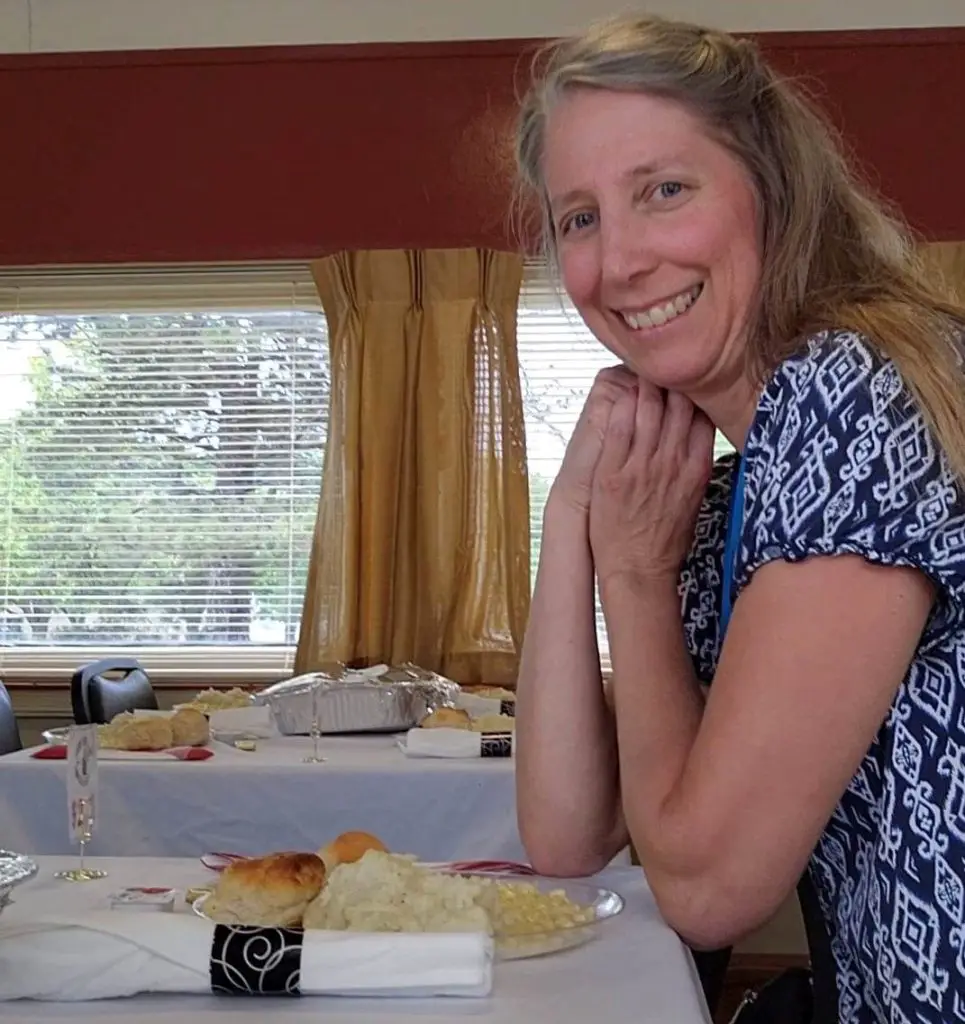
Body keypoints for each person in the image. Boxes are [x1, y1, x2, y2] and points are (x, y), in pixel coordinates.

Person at [512, 12, 965, 1024]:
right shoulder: (730, 489)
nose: (616, 261)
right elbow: (567, 834)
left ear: (771, 193)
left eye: (662, 191)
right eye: (577, 218)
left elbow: (710, 888)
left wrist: (628, 574)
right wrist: (570, 514)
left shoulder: (849, 393)